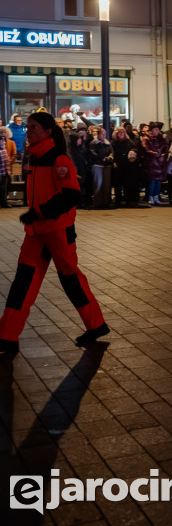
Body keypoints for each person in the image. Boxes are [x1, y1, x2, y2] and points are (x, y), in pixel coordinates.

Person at [0, 112, 110, 354]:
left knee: (70, 280)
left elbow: (71, 195)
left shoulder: (58, 158)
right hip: (38, 231)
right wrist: (36, 216)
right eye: (28, 127)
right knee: (23, 283)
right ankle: (7, 336)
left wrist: (37, 213)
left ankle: (96, 324)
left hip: (57, 231)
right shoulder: (37, 157)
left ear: (48, 131)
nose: (28, 131)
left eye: (34, 127)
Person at [143, 122, 169, 206]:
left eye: (158, 129)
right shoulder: (146, 139)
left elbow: (166, 149)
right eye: (155, 129)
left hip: (160, 163)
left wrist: (163, 155)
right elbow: (146, 150)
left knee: (158, 181)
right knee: (152, 181)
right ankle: (151, 196)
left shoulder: (162, 139)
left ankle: (156, 197)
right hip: (151, 163)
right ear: (151, 130)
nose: (157, 130)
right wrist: (157, 154)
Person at [88, 127, 114, 209]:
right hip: (98, 165)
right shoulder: (94, 143)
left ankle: (106, 202)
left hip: (107, 165)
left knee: (106, 184)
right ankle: (98, 202)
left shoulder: (107, 143)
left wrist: (110, 157)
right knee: (98, 183)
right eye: (102, 134)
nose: (104, 135)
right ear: (98, 134)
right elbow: (93, 153)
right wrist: (102, 158)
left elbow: (111, 152)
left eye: (105, 134)